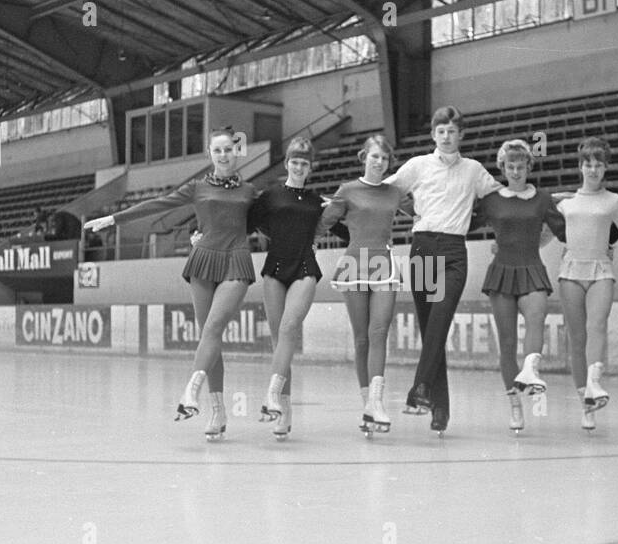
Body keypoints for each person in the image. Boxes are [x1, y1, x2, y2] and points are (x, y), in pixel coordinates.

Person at [84, 126, 258, 440]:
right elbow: (158, 205)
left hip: (236, 260)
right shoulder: (196, 188)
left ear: (236, 151)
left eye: (228, 150)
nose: (223, 155)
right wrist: (113, 219)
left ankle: (190, 392)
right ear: (210, 154)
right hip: (203, 261)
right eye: (217, 150)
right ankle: (217, 410)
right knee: (209, 338)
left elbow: (277, 218)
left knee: (214, 329)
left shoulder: (250, 192)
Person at [383, 106, 502, 436]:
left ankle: (420, 388)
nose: (447, 137)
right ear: (433, 134)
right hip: (422, 250)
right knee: (429, 332)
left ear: (461, 134)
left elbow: (499, 201)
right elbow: (388, 192)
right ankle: (440, 408)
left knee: (439, 323)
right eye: (441, 131)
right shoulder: (417, 166)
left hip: (453, 252)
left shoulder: (474, 170)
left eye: (452, 131)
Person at [470, 139, 565, 434]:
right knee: (507, 343)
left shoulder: (542, 199)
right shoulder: (492, 199)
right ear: (502, 168)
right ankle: (514, 405)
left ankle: (531, 370)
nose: (515, 171)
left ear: (528, 167)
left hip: (532, 268)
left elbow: (564, 230)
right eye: (510, 166)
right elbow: (463, 221)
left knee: (537, 317)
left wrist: (601, 240)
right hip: (501, 273)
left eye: (520, 166)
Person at [316, 135, 407, 436]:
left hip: (384, 263)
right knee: (361, 339)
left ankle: (377, 403)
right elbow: (323, 224)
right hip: (355, 263)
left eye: (384, 158)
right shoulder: (347, 190)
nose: (379, 162)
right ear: (363, 158)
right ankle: (366, 404)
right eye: (374, 156)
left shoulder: (395, 193)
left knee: (379, 332)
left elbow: (427, 207)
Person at [248, 136, 326, 440]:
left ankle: (271, 396)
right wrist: (196, 232)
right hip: (276, 267)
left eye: (304, 163)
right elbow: (244, 221)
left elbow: (343, 225)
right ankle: (285, 409)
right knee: (278, 339)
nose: (298, 167)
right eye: (294, 161)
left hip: (304, 266)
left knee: (290, 328)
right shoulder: (270, 196)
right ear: (287, 163)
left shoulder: (316, 201)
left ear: (310, 168)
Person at [553, 137, 618, 431]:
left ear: (606, 167)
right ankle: (584, 403)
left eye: (599, 164)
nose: (593, 169)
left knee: (596, 327)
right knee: (577, 338)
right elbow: (544, 235)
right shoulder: (566, 203)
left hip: (601, 270)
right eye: (588, 163)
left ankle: (594, 385)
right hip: (570, 271)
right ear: (580, 166)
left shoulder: (615, 201)